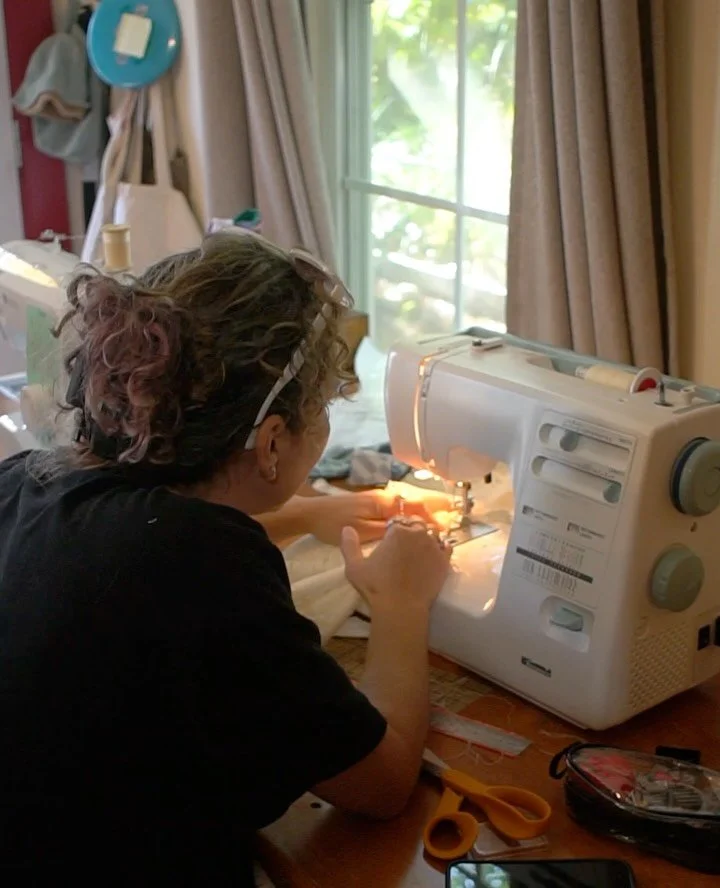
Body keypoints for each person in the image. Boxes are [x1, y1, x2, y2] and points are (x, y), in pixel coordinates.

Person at [0, 231, 453, 886]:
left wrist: (304, 515)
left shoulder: (24, 483)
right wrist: (402, 604)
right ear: (272, 442)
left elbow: (131, 550)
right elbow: (381, 784)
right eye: (323, 406)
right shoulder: (205, 564)